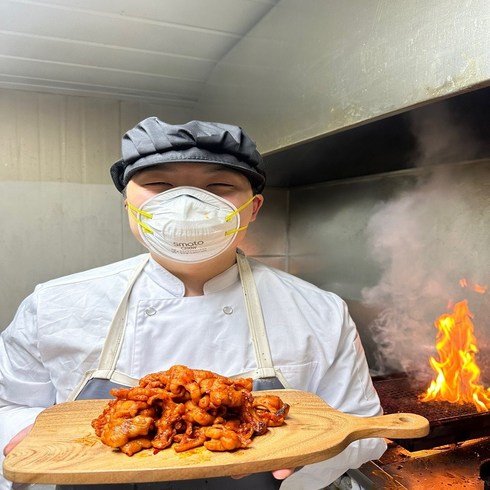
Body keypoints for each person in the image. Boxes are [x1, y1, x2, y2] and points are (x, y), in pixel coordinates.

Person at [0, 117, 387, 490]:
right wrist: (32, 434)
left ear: (252, 209)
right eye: (160, 184)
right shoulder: (54, 303)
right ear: (129, 207)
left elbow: (365, 429)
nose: (186, 205)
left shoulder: (320, 311)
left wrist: (309, 456)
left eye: (218, 187)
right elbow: (7, 406)